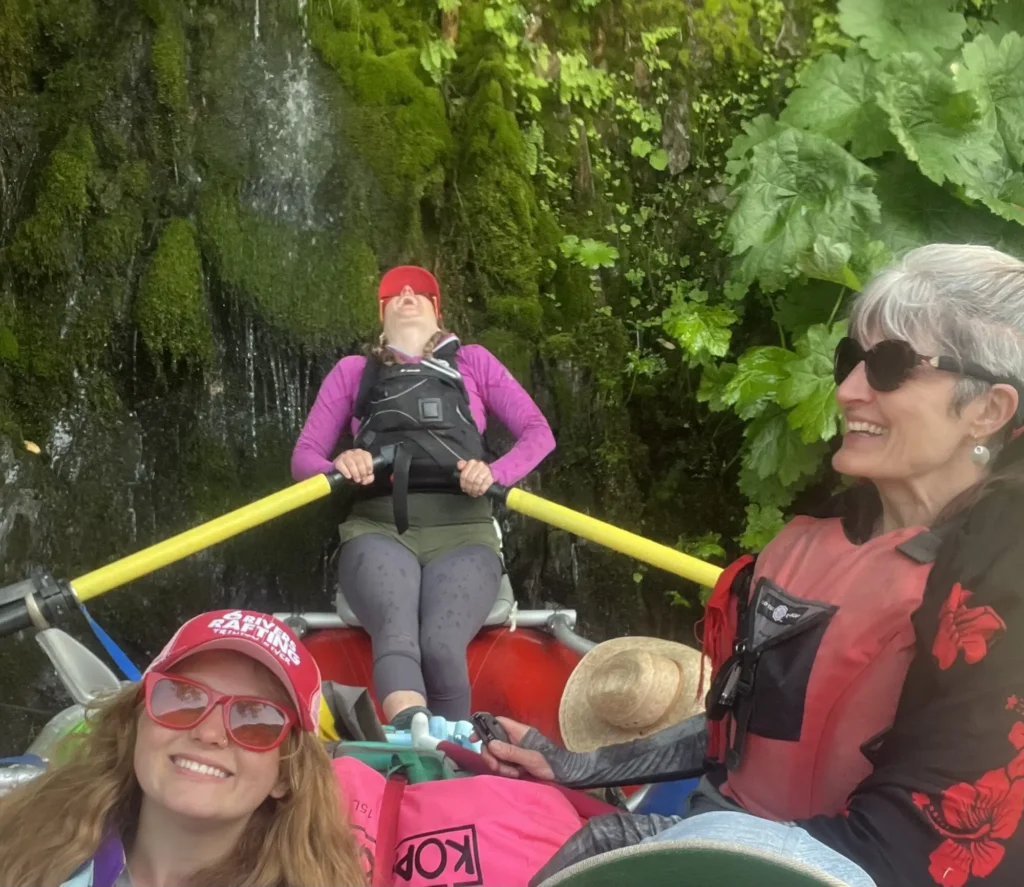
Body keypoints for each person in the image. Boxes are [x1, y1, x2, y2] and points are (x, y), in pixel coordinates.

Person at [482, 244, 1024, 887]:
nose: (848, 390)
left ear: (987, 410)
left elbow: (924, 844)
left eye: (890, 367)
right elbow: (748, 727)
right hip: (741, 833)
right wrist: (576, 766)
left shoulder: (1001, 576)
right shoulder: (824, 529)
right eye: (851, 360)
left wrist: (663, 843)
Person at [291, 265, 555, 727]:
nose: (407, 293)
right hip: (377, 527)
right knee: (396, 632)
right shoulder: (354, 371)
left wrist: (494, 472)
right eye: (394, 292)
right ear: (381, 314)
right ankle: (415, 738)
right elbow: (304, 459)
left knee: (439, 642)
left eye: (420, 291)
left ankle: (447, 754)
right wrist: (339, 465)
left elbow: (538, 434)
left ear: (438, 310)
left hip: (465, 530)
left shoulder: (473, 361)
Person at [0, 609, 366, 887]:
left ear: (286, 773)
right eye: (182, 698)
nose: (209, 733)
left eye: (255, 720)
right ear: (136, 724)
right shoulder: (23, 845)